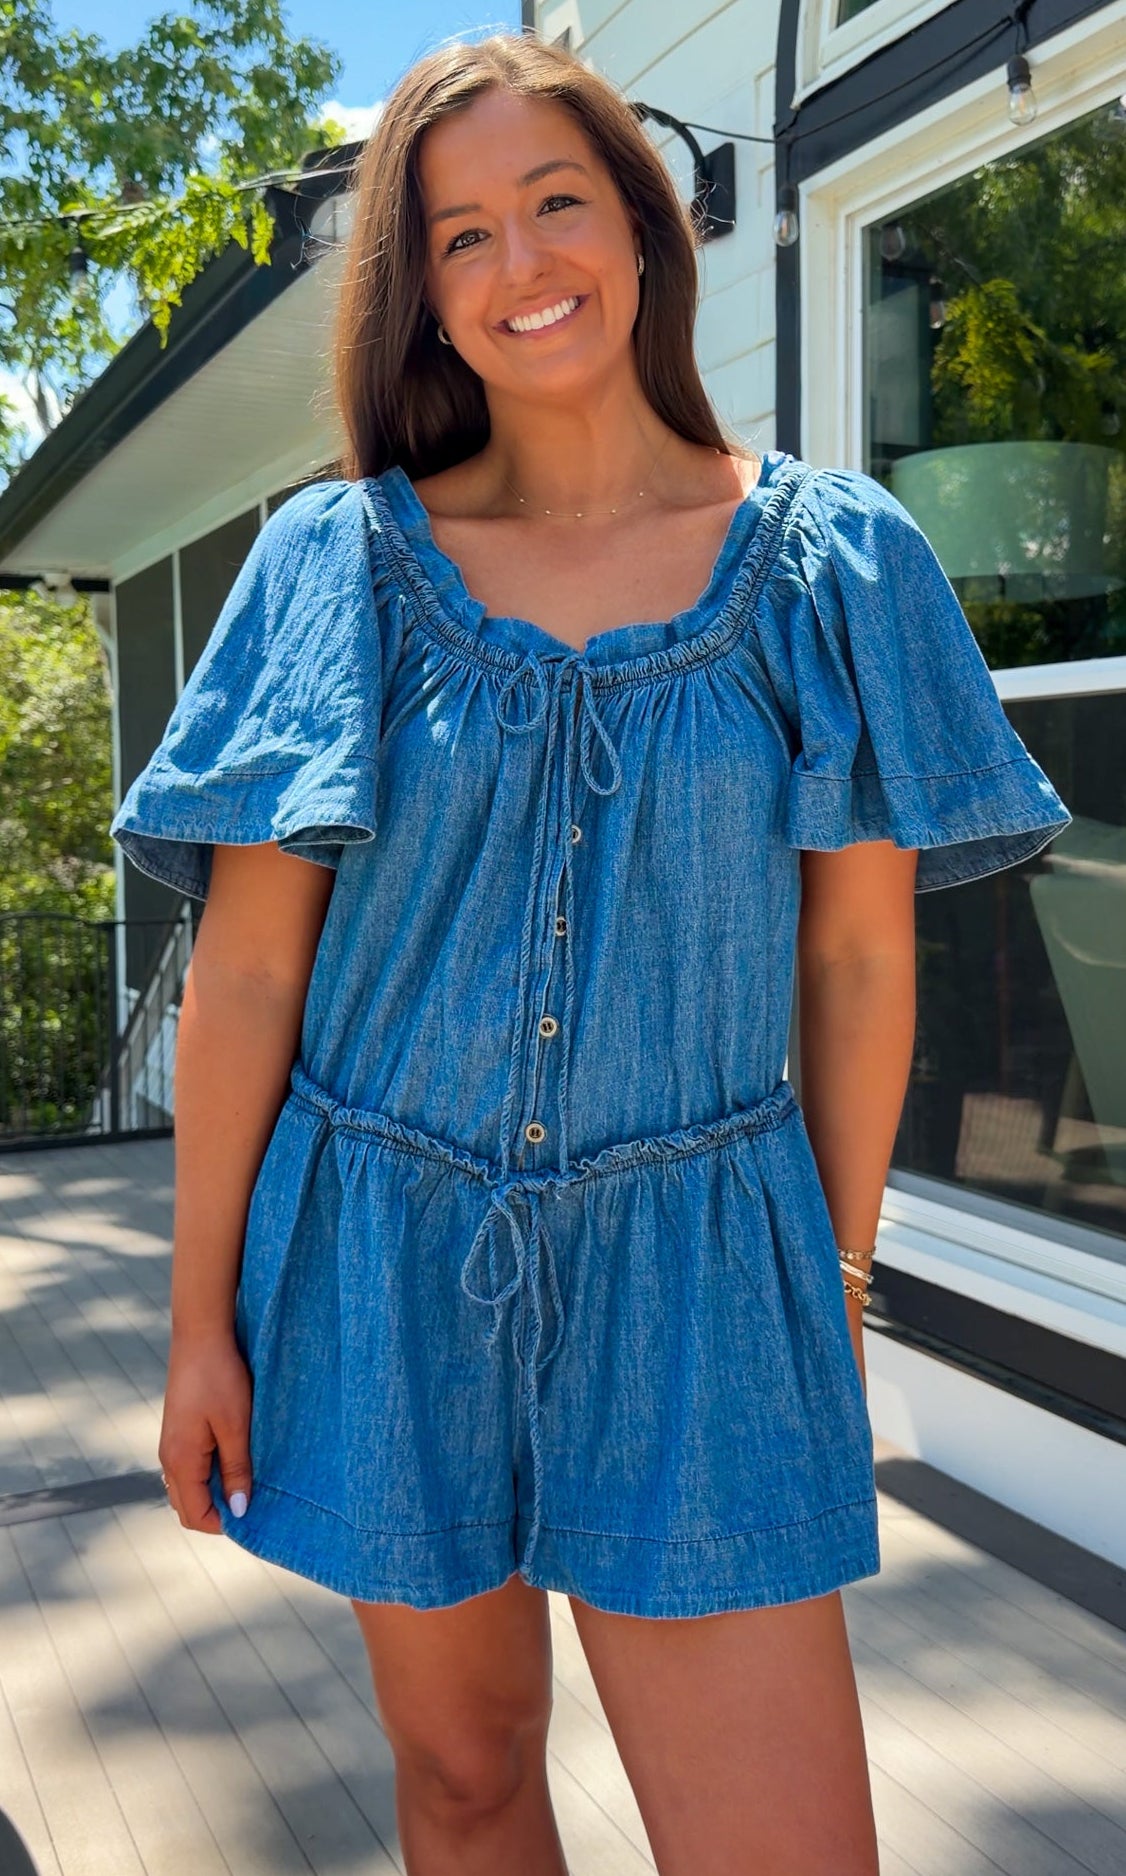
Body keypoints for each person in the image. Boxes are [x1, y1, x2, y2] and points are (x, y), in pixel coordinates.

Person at [109, 30, 1072, 1876]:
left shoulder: (826, 564)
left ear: (640, 227)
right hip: (382, 1261)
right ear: (424, 296)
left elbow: (860, 966)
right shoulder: (334, 565)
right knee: (465, 1791)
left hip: (704, 1272)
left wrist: (834, 1280)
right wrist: (196, 1328)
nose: (520, 263)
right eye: (459, 235)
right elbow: (245, 978)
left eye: (557, 202)